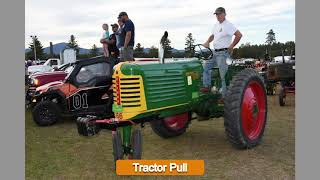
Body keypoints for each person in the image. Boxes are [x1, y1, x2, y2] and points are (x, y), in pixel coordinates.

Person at [201, 7, 242, 98]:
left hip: (223, 53)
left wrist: (232, 45)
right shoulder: (216, 25)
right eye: (216, 14)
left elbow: (239, 35)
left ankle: (224, 97)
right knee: (205, 68)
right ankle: (207, 86)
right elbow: (212, 36)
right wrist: (207, 41)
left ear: (224, 14)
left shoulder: (228, 25)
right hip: (215, 52)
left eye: (219, 14)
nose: (218, 16)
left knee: (223, 75)